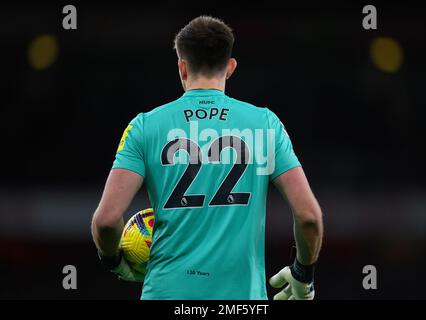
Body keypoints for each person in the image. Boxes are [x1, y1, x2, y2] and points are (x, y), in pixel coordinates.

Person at [91, 15, 323, 300]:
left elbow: (106, 220)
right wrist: (302, 275)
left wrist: (113, 262)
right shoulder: (265, 124)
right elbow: (309, 217)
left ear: (182, 67)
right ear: (230, 68)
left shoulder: (144, 126)